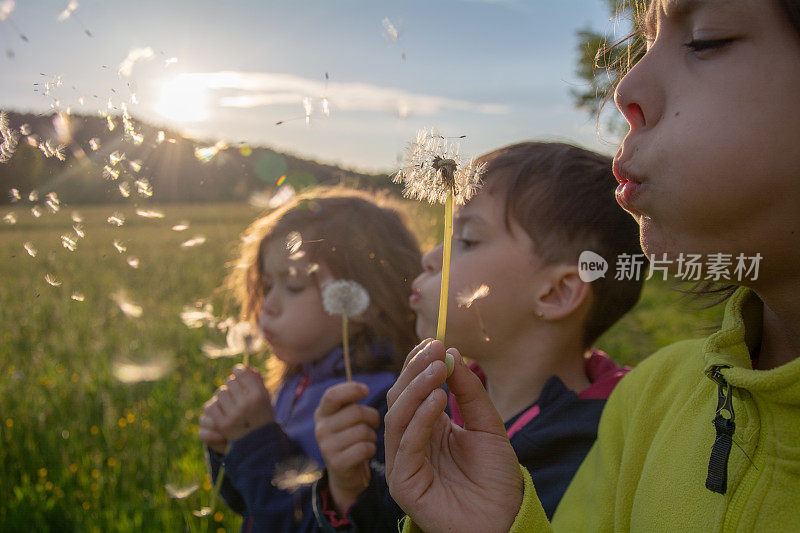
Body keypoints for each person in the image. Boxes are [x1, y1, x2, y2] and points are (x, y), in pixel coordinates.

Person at [384, 0, 800, 531]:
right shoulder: (647, 400)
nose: (625, 88)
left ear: (560, 291)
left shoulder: (611, 417)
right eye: (644, 45)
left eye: (705, 39)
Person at [313, 142, 643, 530]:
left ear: (556, 293)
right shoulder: (421, 403)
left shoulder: (605, 453)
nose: (430, 257)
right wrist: (350, 491)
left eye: (467, 240)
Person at [198, 188, 422, 532]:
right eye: (268, 285)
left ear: (363, 300)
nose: (267, 305)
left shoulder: (385, 408)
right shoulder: (294, 381)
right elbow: (254, 506)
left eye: (293, 286)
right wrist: (230, 446)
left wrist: (257, 440)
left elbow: (302, 524)